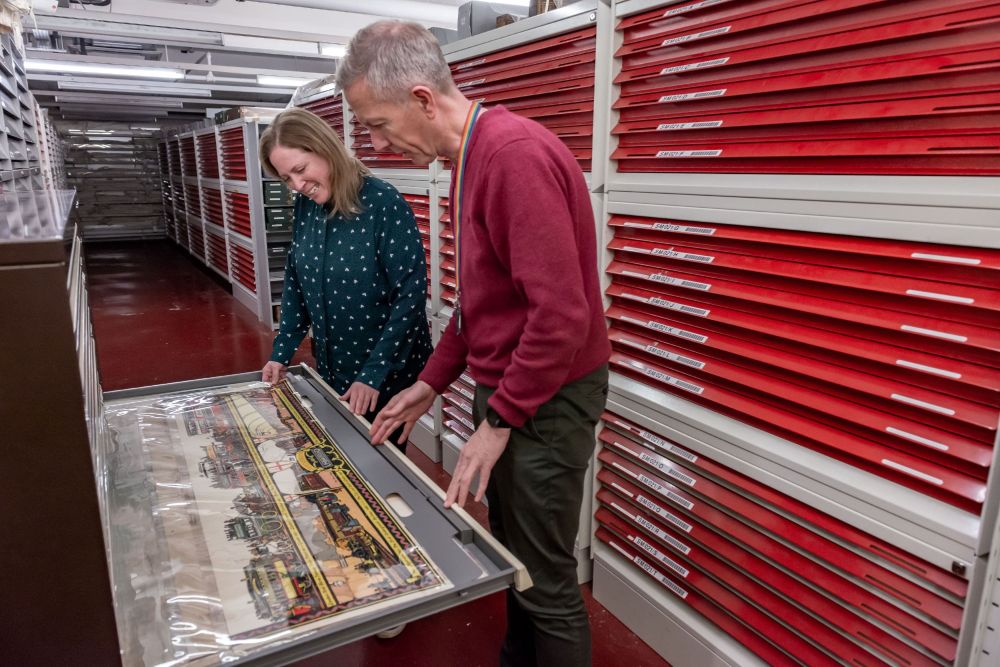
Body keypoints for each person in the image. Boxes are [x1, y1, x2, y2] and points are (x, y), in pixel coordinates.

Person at [340, 21, 610, 667]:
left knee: (545, 582)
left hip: (549, 396)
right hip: (520, 389)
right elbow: (482, 304)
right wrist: (430, 383)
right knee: (512, 557)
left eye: (378, 123)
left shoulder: (511, 156)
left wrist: (500, 419)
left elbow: (561, 315)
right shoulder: (470, 158)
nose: (376, 143)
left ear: (422, 98)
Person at [259, 107, 433, 445]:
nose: (297, 185)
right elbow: (298, 280)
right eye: (286, 179)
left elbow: (410, 297)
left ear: (325, 149)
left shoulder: (382, 203)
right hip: (333, 367)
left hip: (386, 374)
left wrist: (373, 373)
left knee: (377, 470)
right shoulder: (307, 205)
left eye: (300, 170)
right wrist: (282, 352)